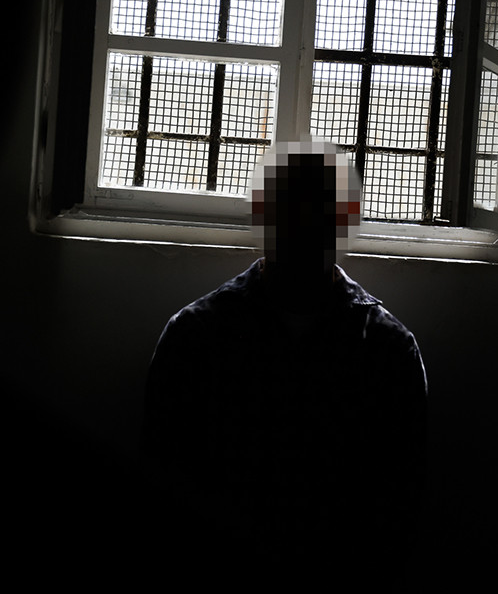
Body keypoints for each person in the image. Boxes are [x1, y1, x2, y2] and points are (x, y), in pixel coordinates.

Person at [142, 139, 428, 581]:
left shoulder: (388, 348)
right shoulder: (195, 336)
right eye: (293, 209)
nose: (305, 225)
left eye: (321, 210)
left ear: (345, 222)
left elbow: (399, 505)